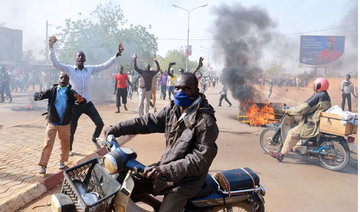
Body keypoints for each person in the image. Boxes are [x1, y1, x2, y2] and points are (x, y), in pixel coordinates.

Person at [104, 72, 218, 211]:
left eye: (186, 89)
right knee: (126, 183)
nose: (180, 92)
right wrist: (117, 129)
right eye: (177, 88)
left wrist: (163, 170)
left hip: (187, 181)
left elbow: (198, 160)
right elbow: (146, 122)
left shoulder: (205, 122)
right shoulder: (173, 110)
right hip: (165, 168)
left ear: (196, 90)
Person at [48, 35, 124, 155]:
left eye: (82, 56)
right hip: (74, 105)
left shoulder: (89, 69)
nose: (80, 58)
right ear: (75, 59)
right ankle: (70, 149)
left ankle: (94, 138)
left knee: (100, 124)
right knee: (72, 129)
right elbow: (56, 64)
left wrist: (116, 55)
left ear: (84, 59)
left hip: (87, 103)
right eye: (78, 56)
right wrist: (51, 48)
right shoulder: (69, 70)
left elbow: (104, 65)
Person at [270, 78, 331, 161]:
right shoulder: (325, 95)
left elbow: (303, 108)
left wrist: (289, 111)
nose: (314, 86)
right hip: (317, 121)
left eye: (315, 85)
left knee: (292, 133)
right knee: (298, 122)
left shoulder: (318, 96)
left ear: (319, 86)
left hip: (311, 124)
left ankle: (281, 155)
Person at [35, 72, 85, 174]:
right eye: (61, 78)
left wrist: (81, 100)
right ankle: (43, 165)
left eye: (65, 78)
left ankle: (62, 161)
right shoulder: (52, 90)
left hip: (65, 124)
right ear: (58, 80)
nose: (63, 79)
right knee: (48, 143)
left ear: (68, 81)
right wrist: (37, 96)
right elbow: (40, 96)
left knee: (65, 144)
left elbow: (81, 101)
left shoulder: (71, 93)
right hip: (52, 122)